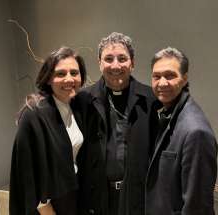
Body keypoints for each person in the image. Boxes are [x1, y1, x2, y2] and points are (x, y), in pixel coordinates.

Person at [77, 32, 155, 215]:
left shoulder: (151, 99)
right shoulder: (83, 101)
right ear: (99, 63)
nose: (115, 65)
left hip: (137, 197)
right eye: (108, 59)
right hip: (98, 198)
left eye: (122, 58)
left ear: (132, 63)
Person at [9, 47, 89, 215]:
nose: (69, 79)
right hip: (47, 207)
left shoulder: (77, 108)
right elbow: (26, 176)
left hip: (72, 198)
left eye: (74, 73)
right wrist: (46, 210)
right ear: (48, 79)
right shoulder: (33, 114)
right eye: (61, 74)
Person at [145, 47, 218, 215]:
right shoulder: (166, 114)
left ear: (184, 79)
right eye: (156, 76)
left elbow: (198, 207)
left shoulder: (196, 132)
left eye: (170, 75)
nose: (162, 83)